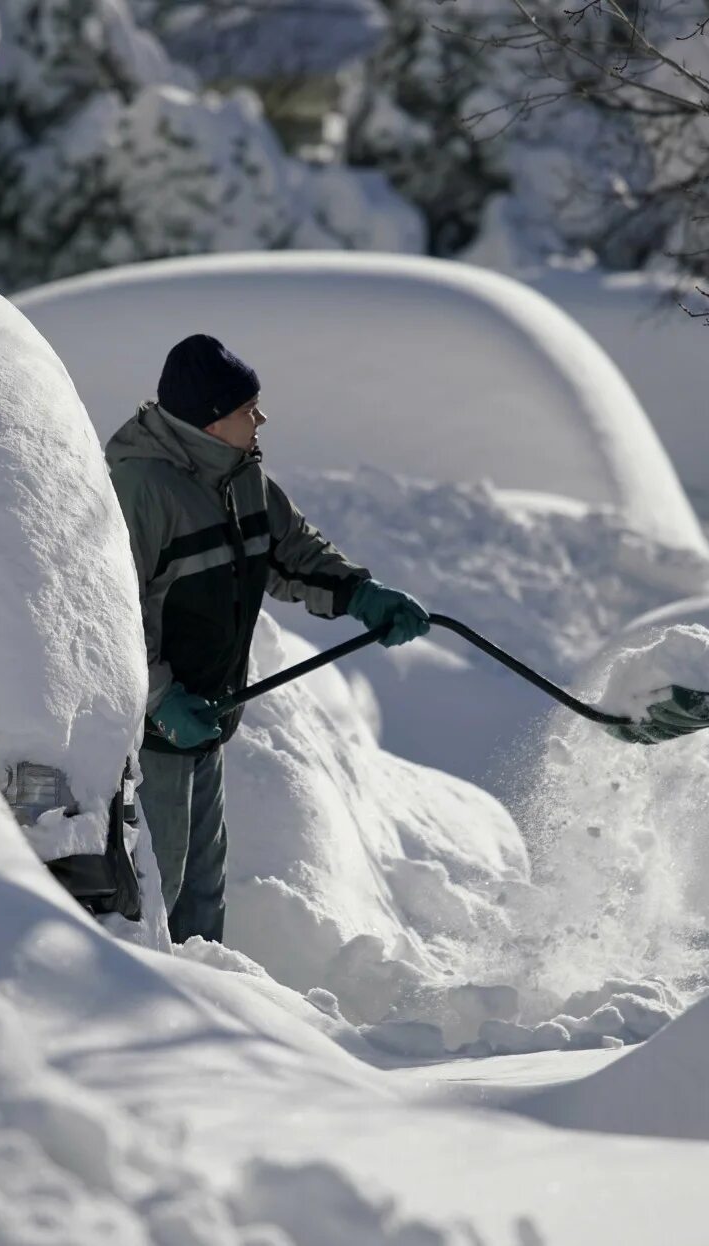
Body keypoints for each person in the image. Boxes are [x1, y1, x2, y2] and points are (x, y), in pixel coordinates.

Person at [104, 334, 430, 943]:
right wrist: (160, 699)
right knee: (153, 894)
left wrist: (362, 595)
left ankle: (209, 1003)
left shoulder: (241, 479)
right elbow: (113, 610)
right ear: (208, 420)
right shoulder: (140, 490)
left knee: (202, 893)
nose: (261, 419)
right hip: (150, 736)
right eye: (247, 409)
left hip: (206, 717)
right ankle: (139, 1003)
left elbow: (292, 554)